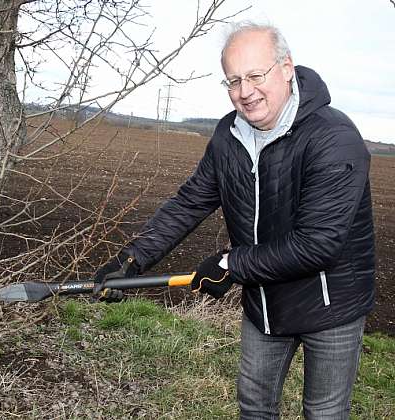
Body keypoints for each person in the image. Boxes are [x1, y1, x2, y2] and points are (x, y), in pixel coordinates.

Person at [93, 21, 375, 420]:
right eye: (234, 80)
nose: (245, 92)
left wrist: (230, 264)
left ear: (287, 68)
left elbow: (318, 244)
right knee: (255, 408)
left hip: (331, 305)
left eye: (256, 75)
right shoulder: (229, 135)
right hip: (264, 300)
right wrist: (134, 260)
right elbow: (190, 202)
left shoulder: (333, 138)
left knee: (324, 412)